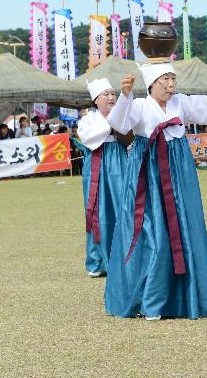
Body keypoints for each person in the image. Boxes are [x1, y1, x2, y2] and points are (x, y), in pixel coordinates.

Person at [104, 61, 207, 320]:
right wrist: (124, 96)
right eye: (165, 80)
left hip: (179, 171)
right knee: (153, 233)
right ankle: (151, 300)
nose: (171, 85)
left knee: (184, 229)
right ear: (151, 84)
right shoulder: (138, 105)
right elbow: (120, 124)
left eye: (173, 79)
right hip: (148, 173)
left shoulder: (180, 102)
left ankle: (184, 299)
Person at [75, 78, 129, 278]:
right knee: (97, 211)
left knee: (123, 206)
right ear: (95, 100)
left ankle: (125, 258)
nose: (111, 97)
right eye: (105, 94)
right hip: (97, 163)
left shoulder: (122, 115)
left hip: (120, 161)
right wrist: (112, 125)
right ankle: (97, 260)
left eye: (113, 93)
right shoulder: (89, 119)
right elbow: (88, 138)